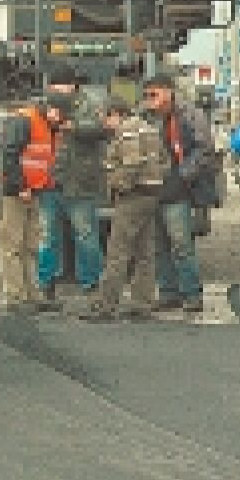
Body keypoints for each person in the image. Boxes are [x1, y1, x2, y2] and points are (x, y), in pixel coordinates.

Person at [81, 100, 169, 321]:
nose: (104, 124)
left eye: (105, 118)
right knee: (144, 252)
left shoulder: (128, 130)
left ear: (115, 114)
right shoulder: (149, 129)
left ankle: (106, 305)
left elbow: (132, 163)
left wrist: (119, 185)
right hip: (151, 194)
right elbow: (164, 161)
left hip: (133, 196)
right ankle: (142, 303)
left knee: (117, 251)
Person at [141, 74, 216, 313]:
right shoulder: (148, 118)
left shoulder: (191, 115)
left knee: (181, 243)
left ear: (169, 91)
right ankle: (168, 292)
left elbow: (205, 150)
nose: (150, 100)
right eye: (147, 95)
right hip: (154, 187)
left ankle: (192, 294)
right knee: (160, 244)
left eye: (154, 94)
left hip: (181, 189)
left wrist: (182, 176)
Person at [42, 63, 108, 302]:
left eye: (61, 86)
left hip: (78, 181)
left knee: (85, 234)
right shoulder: (44, 105)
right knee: (48, 237)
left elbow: (103, 129)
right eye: (53, 87)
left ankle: (91, 283)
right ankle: (46, 283)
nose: (57, 91)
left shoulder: (89, 104)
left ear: (72, 86)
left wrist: (74, 126)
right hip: (50, 181)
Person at [0, 101, 42, 313]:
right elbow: (9, 155)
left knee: (30, 245)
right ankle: (15, 296)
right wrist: (20, 186)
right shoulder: (22, 122)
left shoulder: (40, 123)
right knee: (13, 245)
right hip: (19, 193)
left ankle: (31, 293)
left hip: (34, 190)